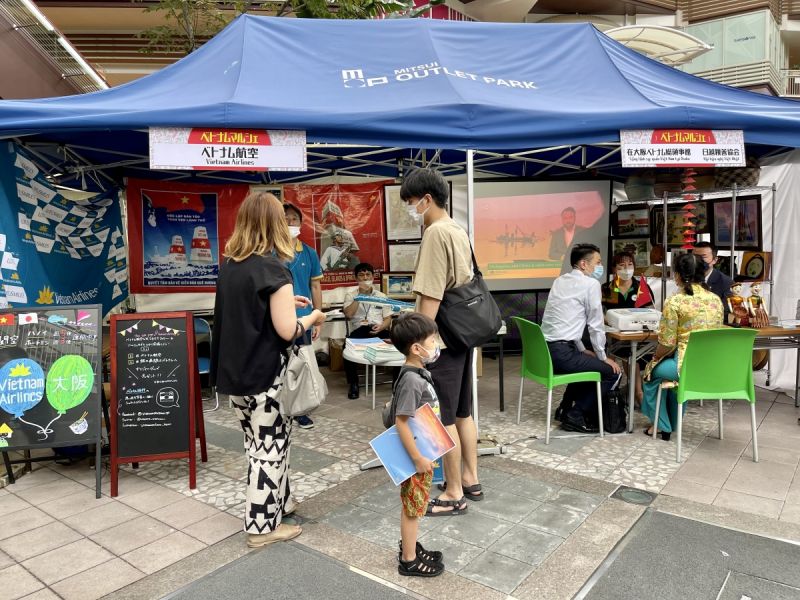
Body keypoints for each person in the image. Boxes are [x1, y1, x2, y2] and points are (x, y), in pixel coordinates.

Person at [210, 192, 326, 548]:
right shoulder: (275, 269)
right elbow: (287, 330)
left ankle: (281, 501)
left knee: (257, 444)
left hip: (236, 376)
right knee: (270, 447)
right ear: (276, 224)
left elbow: (247, 310)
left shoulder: (231, 265)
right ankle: (261, 527)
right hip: (266, 377)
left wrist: (284, 302)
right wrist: (312, 317)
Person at [401, 167, 478, 515]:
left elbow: (430, 298)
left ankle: (454, 492)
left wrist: (420, 348)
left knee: (442, 416)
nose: (410, 208)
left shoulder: (434, 234)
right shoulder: (457, 228)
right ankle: (470, 477)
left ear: (427, 200)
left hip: (441, 341)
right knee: (463, 411)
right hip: (464, 333)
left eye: (411, 202)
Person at [641, 253, 723, 440]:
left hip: (684, 366)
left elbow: (667, 343)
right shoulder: (715, 300)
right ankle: (671, 423)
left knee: (651, 373)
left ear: (678, 275)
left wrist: (655, 357)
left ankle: (661, 425)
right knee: (669, 378)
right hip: (712, 366)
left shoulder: (676, 301)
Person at [541, 243, 622, 433]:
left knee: (587, 359)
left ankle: (564, 408)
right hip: (562, 355)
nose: (599, 267)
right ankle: (576, 415)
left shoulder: (560, 281)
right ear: (584, 264)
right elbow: (595, 325)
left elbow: (566, 321)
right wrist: (603, 356)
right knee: (612, 372)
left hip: (547, 352)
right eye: (598, 262)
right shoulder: (590, 284)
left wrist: (581, 348)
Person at [387, 312, 445, 578]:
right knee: (413, 508)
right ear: (416, 348)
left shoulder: (417, 371)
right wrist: (418, 458)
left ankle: (410, 547)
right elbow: (401, 422)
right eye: (432, 340)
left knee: (415, 506)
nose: (436, 345)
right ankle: (408, 560)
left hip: (423, 449)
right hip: (416, 456)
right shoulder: (411, 380)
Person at [284, 202, 323, 429]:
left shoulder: (309, 252)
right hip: (276, 319)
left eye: (294, 219)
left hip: (304, 319)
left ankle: (300, 410)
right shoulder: (269, 251)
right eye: (285, 219)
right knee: (280, 363)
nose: (290, 223)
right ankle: (280, 406)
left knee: (301, 364)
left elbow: (316, 287)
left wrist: (318, 316)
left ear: (300, 223)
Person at [601, 251, 654, 405]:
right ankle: (610, 393)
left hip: (637, 335)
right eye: (621, 265)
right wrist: (611, 322)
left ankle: (638, 393)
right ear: (614, 269)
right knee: (613, 352)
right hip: (612, 334)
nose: (626, 269)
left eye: (629, 264)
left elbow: (650, 312)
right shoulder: (607, 288)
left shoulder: (640, 287)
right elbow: (598, 312)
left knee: (631, 352)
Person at [343, 262, 393, 399]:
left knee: (399, 343)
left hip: (378, 329)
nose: (365, 277)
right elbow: (349, 314)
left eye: (368, 274)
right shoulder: (350, 295)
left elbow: (388, 318)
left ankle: (397, 384)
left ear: (373, 276)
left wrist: (382, 326)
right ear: (356, 278)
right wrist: (360, 296)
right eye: (361, 275)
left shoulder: (381, 296)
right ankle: (353, 384)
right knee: (346, 347)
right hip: (359, 330)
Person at [693, 242, 732, 307]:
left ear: (715, 260)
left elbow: (726, 309)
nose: (698, 260)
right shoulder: (687, 278)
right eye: (694, 257)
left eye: (703, 257)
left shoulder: (726, 282)